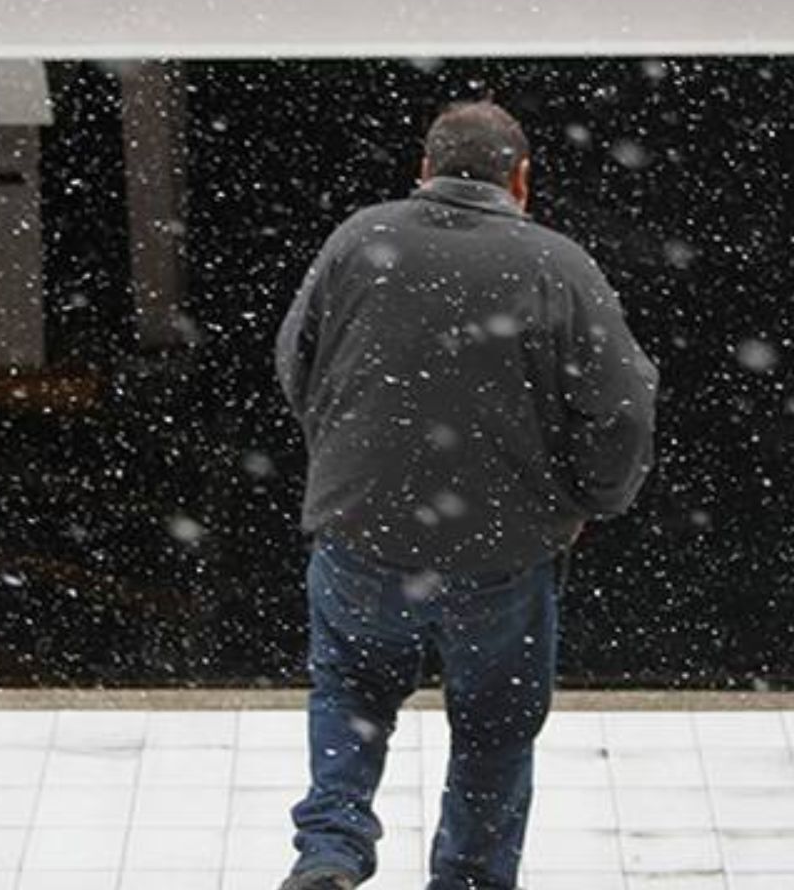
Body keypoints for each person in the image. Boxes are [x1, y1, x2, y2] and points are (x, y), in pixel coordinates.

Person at [273, 100, 658, 890]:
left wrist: (349, 455)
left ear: (425, 170)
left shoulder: (360, 240)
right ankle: (471, 878)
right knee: (494, 728)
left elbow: (296, 360)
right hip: (506, 549)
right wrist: (591, 500)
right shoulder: (557, 264)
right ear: (522, 178)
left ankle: (332, 850)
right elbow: (621, 407)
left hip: (362, 527)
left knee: (351, 688)